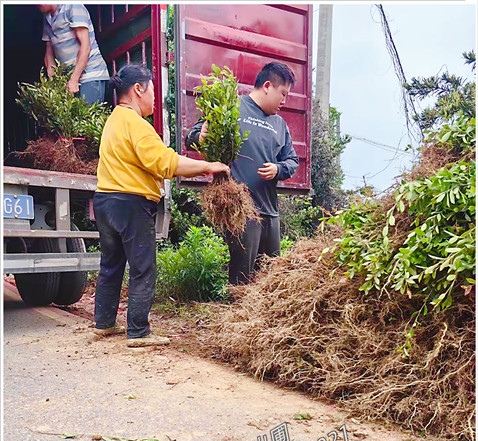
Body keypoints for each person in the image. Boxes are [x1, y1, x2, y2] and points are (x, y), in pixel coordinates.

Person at [93, 64, 229, 347]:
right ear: (138, 90)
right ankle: (138, 332)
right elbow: (166, 163)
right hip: (130, 202)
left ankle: (104, 323)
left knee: (111, 264)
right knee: (143, 267)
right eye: (153, 90)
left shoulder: (113, 121)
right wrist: (208, 165)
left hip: (105, 201)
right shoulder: (136, 125)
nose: (155, 98)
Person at [186, 62, 299, 285]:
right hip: (242, 210)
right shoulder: (232, 107)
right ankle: (235, 318)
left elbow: (292, 161)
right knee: (242, 280)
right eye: (282, 94)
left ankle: (264, 320)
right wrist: (200, 136)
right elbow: (192, 136)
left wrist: (278, 169)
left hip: (270, 212)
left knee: (271, 280)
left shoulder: (280, 124)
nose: (284, 101)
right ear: (267, 86)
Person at [38, 4, 110, 104]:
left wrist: (74, 80)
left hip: (89, 75)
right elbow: (49, 50)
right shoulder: (47, 17)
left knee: (86, 116)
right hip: (69, 79)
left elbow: (86, 46)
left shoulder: (73, 6)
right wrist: (54, 82)